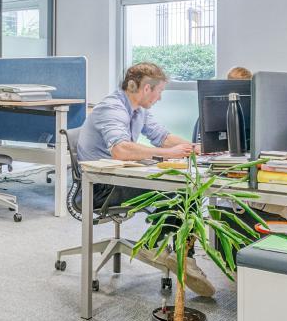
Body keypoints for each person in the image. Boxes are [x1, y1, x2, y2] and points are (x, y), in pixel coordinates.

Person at [76, 63, 214, 295]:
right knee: (177, 190)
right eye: (159, 91)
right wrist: (168, 153)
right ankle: (160, 248)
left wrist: (196, 148)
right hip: (100, 187)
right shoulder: (112, 108)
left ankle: (178, 255)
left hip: (120, 178)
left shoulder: (138, 109)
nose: (160, 98)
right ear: (147, 89)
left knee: (186, 186)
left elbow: (162, 137)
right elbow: (120, 150)